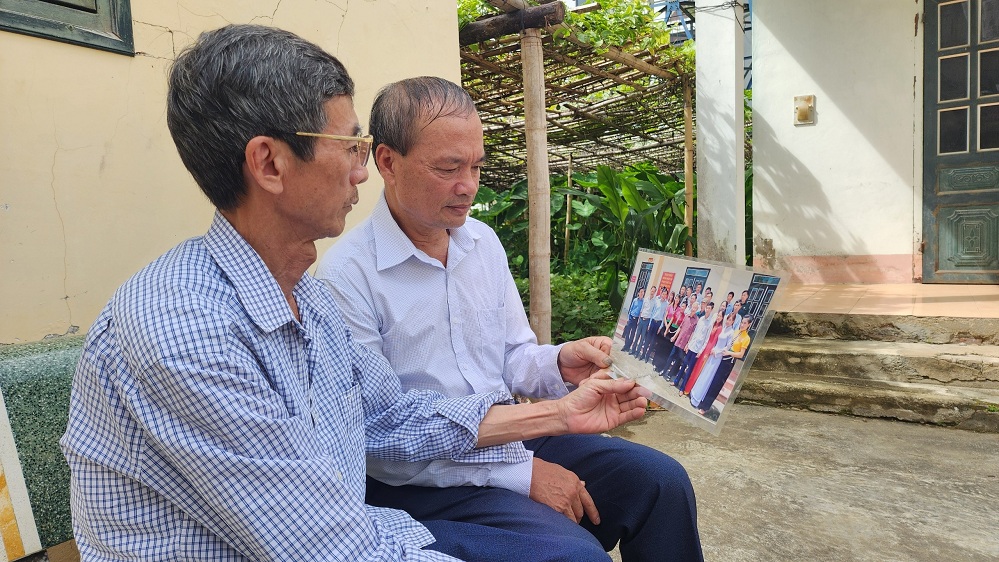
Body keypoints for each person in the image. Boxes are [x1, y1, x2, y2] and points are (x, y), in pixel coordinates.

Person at [59, 26, 649, 562]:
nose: (361, 172)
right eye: (349, 147)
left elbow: (389, 418)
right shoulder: (186, 329)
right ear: (269, 163)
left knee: (628, 505)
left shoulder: (308, 302)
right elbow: (325, 546)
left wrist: (559, 410)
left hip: (362, 523)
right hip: (344, 532)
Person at [317, 76, 702, 562]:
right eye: (448, 168)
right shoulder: (347, 276)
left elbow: (512, 356)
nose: (468, 186)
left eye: (476, 166)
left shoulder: (482, 244)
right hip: (422, 480)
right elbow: (381, 435)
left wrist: (561, 363)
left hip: (515, 435)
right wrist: (522, 474)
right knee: (576, 556)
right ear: (388, 162)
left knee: (662, 483)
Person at [622, 287, 646, 352]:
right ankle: (625, 345)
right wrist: (629, 317)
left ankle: (628, 347)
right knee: (627, 332)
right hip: (631, 318)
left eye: (643, 292)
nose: (642, 293)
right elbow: (631, 309)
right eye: (641, 292)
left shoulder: (644, 302)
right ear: (638, 293)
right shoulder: (635, 300)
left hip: (637, 319)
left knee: (633, 334)